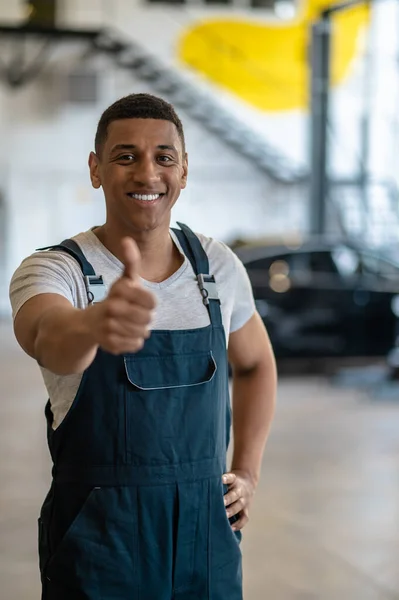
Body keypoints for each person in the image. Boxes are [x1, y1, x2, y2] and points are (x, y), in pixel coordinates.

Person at [9, 93, 277, 600]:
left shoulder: (217, 268)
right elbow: (48, 339)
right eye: (125, 156)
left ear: (184, 170)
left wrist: (247, 469)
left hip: (208, 538)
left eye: (164, 157)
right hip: (100, 541)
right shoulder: (56, 270)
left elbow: (257, 363)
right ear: (96, 169)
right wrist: (93, 325)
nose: (147, 173)